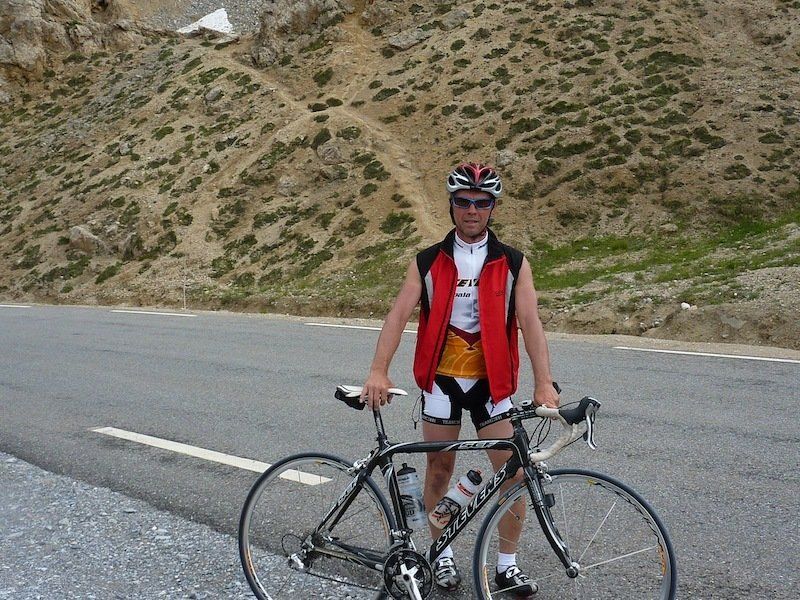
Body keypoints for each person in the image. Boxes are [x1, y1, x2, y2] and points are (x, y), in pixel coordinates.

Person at [361, 162, 560, 594]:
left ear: (493, 208)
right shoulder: (428, 261)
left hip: (493, 384)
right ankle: (442, 554)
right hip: (442, 382)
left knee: (513, 475)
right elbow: (398, 315)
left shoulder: (512, 262)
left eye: (482, 203)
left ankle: (506, 566)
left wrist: (544, 382)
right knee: (439, 470)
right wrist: (378, 370)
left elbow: (530, 322)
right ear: (451, 206)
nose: (472, 210)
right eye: (464, 202)